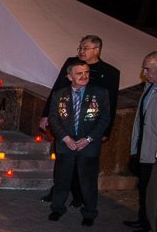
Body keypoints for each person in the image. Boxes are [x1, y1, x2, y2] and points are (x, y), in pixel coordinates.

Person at [40, 35, 120, 205]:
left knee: (84, 166)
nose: (81, 51)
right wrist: (46, 114)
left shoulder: (110, 73)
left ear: (96, 50)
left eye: (85, 48)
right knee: (62, 164)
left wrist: (105, 131)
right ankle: (57, 194)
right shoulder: (71, 63)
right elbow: (58, 88)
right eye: (80, 48)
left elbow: (110, 105)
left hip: (90, 128)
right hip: (66, 123)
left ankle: (79, 196)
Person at [47, 58, 110, 226]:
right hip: (65, 144)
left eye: (86, 73)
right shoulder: (59, 95)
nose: (84, 76)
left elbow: (104, 120)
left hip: (88, 146)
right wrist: (65, 138)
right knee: (62, 179)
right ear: (69, 77)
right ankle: (57, 208)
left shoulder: (100, 93)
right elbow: (53, 119)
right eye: (79, 73)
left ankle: (89, 212)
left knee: (88, 181)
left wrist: (89, 139)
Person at [130, 52, 157, 232]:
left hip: (154, 153)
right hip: (145, 149)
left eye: (147, 68)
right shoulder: (150, 88)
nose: (143, 72)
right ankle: (147, 226)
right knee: (146, 192)